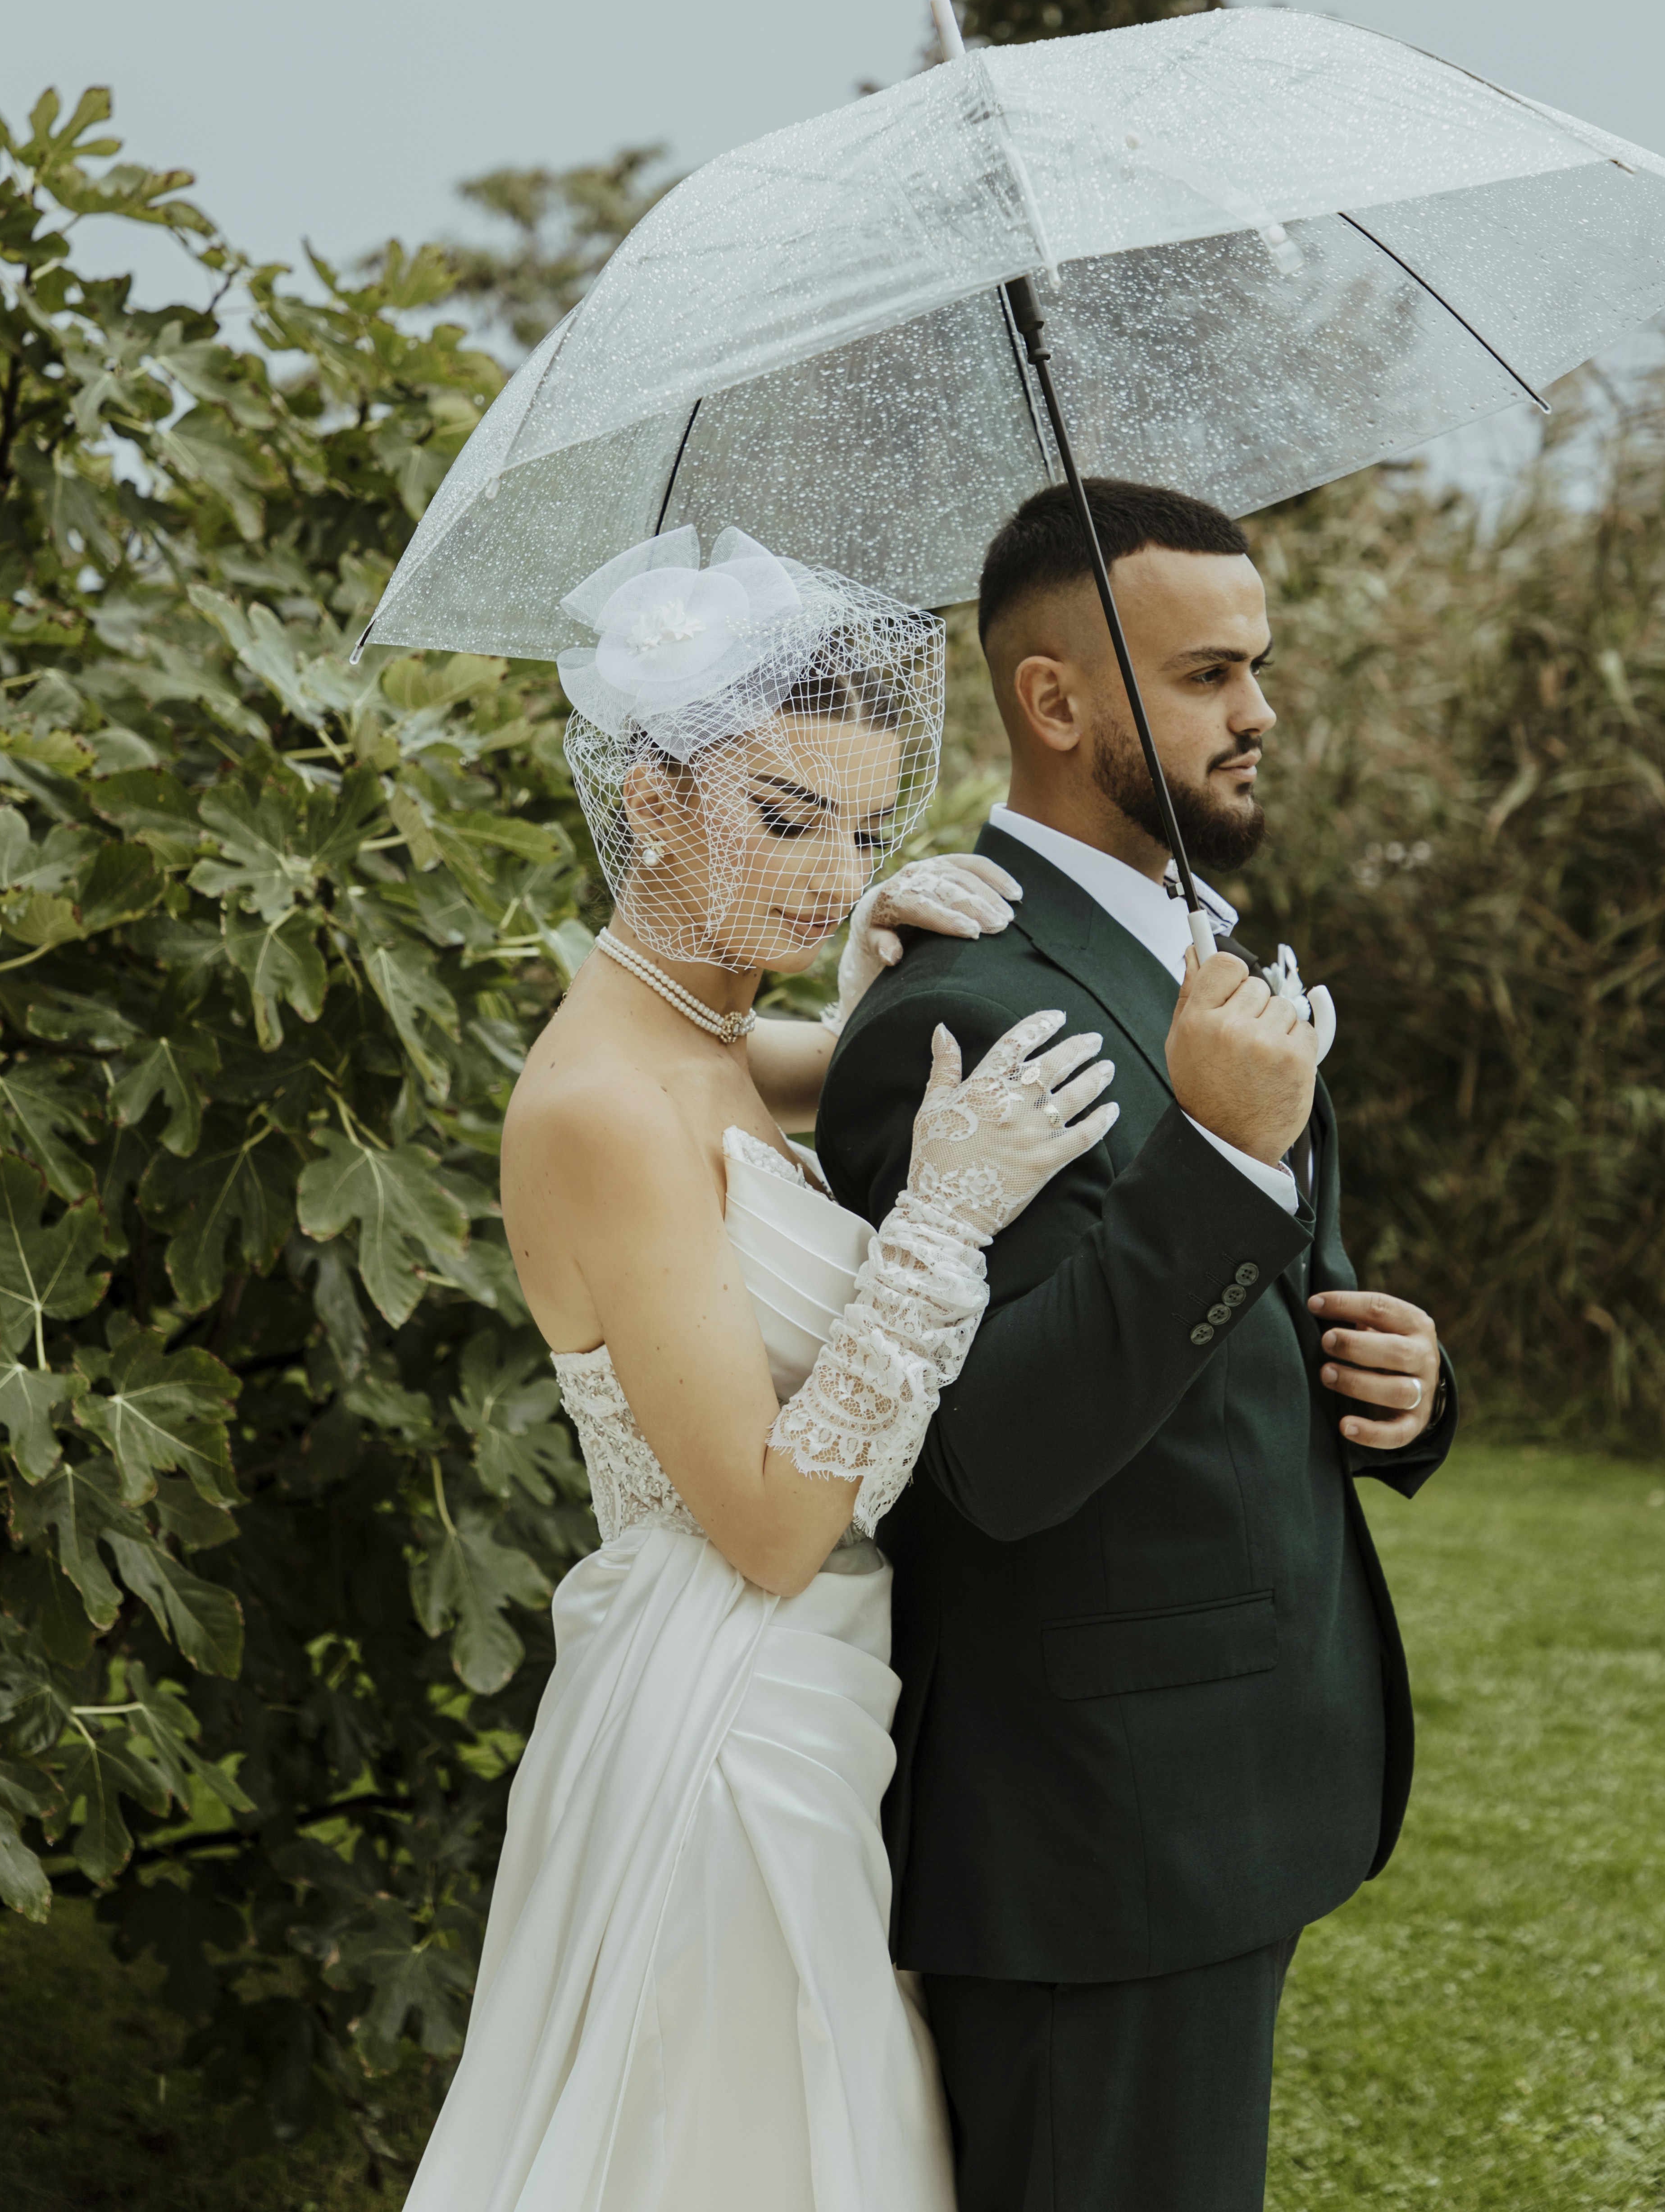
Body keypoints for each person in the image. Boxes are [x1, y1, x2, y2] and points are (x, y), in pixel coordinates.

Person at [403, 525, 1115, 2212]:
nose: (828, 866)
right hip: (721, 1715)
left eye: (866, 823)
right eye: (785, 818)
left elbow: (769, 1084)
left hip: (806, 1693)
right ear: (652, 801)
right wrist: (940, 1220)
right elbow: (776, 1527)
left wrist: (871, 957)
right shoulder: (601, 1110)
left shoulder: (701, 1039)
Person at [818, 479, 1459, 2212]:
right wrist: (1229, 1158)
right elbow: (992, 1465)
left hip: (1239, 1776)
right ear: (1056, 703)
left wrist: (1404, 1385)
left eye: (1258, 667)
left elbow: (1271, 1297)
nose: (1260, 712)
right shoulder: (953, 1017)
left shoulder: (1216, 953)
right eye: (1208, 675)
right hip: (1096, 1830)